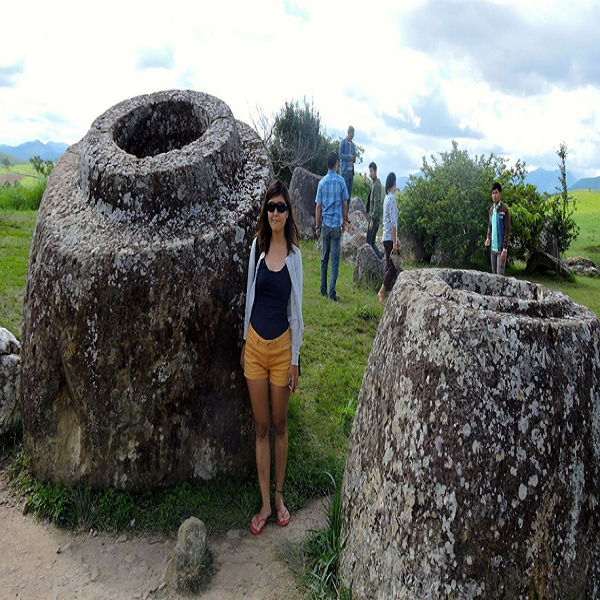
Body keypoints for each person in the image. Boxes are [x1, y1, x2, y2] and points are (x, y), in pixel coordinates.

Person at [240, 180, 303, 535]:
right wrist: (244, 342)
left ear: (288, 211)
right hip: (255, 347)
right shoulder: (257, 249)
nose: (275, 213)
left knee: (280, 425)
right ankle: (265, 504)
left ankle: (279, 497)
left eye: (281, 207)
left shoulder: (294, 256)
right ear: (265, 212)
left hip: (281, 350)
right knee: (261, 427)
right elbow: (250, 296)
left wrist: (295, 359)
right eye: (270, 207)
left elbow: (297, 310)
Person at [315, 151, 349, 301]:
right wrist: (344, 221)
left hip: (325, 225)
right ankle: (331, 294)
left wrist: (317, 226)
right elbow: (345, 204)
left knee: (324, 259)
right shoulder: (341, 181)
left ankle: (322, 290)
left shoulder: (322, 182)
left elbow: (318, 207)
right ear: (336, 164)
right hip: (336, 226)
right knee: (334, 261)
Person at [377, 172, 400, 305]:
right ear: (394, 183)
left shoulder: (387, 198)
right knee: (393, 267)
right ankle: (381, 291)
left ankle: (388, 294)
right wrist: (395, 242)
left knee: (389, 266)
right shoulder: (392, 199)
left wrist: (396, 238)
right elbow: (393, 222)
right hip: (389, 238)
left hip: (387, 236)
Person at [485, 182, 511, 275]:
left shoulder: (504, 210)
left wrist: (505, 249)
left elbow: (507, 230)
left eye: (496, 193)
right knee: (493, 276)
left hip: (501, 249)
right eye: (493, 193)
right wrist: (488, 237)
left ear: (500, 193)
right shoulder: (491, 210)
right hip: (493, 249)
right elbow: (490, 225)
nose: (494, 195)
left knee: (499, 277)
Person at [363, 162, 383, 259]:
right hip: (374, 220)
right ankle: (381, 259)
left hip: (373, 220)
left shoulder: (377, 185)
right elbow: (371, 184)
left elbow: (377, 204)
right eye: (369, 171)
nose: (370, 173)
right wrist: (366, 180)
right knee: (371, 244)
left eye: (371, 171)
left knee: (368, 245)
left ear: (375, 171)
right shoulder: (375, 183)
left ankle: (380, 260)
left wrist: (372, 220)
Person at [339, 126, 356, 198]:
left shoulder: (353, 145)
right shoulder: (342, 143)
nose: (351, 137)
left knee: (349, 192)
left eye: (352, 136)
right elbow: (340, 155)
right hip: (345, 171)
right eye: (350, 135)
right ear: (348, 133)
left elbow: (354, 156)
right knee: (344, 193)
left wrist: (354, 159)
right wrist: (349, 157)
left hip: (351, 171)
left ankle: (348, 208)